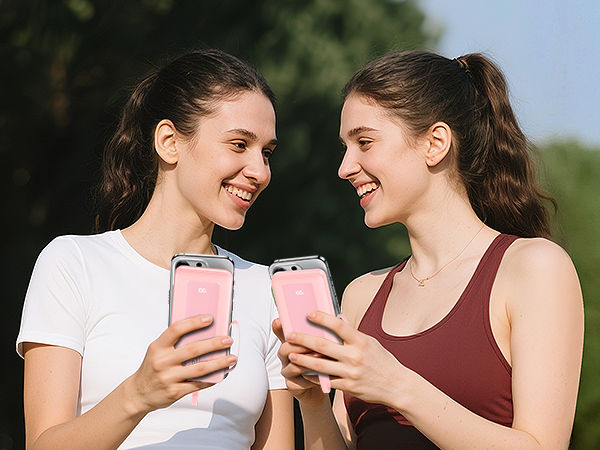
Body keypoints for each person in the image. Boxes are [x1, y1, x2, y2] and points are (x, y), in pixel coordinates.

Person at [274, 50, 584, 449]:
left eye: (364, 142)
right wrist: (312, 401)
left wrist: (397, 385)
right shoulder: (360, 296)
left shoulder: (534, 268)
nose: (345, 166)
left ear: (435, 143)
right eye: (346, 146)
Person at [17, 49, 294, 450]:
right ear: (168, 142)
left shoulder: (267, 288)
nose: (260, 171)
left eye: (266, 152)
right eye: (239, 145)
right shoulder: (73, 264)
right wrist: (140, 393)